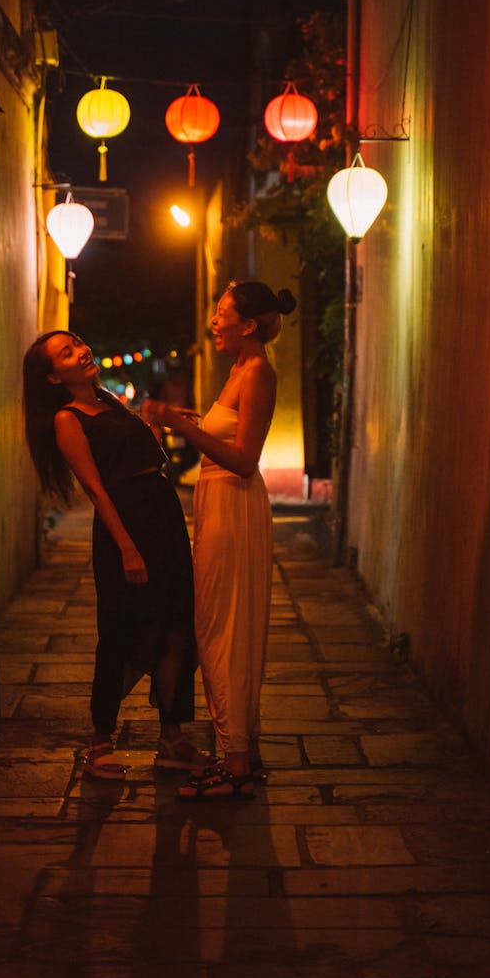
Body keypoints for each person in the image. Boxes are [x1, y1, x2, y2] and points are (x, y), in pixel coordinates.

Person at [23, 330, 202, 780]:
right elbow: (97, 489)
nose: (81, 351)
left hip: (162, 515)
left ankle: (171, 736)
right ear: (51, 376)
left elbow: (147, 458)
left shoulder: (108, 402)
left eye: (79, 343)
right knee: (122, 632)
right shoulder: (69, 418)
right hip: (126, 524)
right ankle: (100, 739)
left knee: (177, 624)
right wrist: (127, 548)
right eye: (67, 352)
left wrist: (161, 422)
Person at [142, 280, 297, 800]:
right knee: (223, 623)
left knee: (220, 628)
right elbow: (224, 433)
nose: (214, 321)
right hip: (218, 502)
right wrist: (182, 419)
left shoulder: (257, 373)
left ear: (248, 325)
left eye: (221, 313)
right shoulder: (236, 370)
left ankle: (234, 764)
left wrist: (179, 426)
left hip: (234, 501)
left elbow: (245, 459)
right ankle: (243, 752)